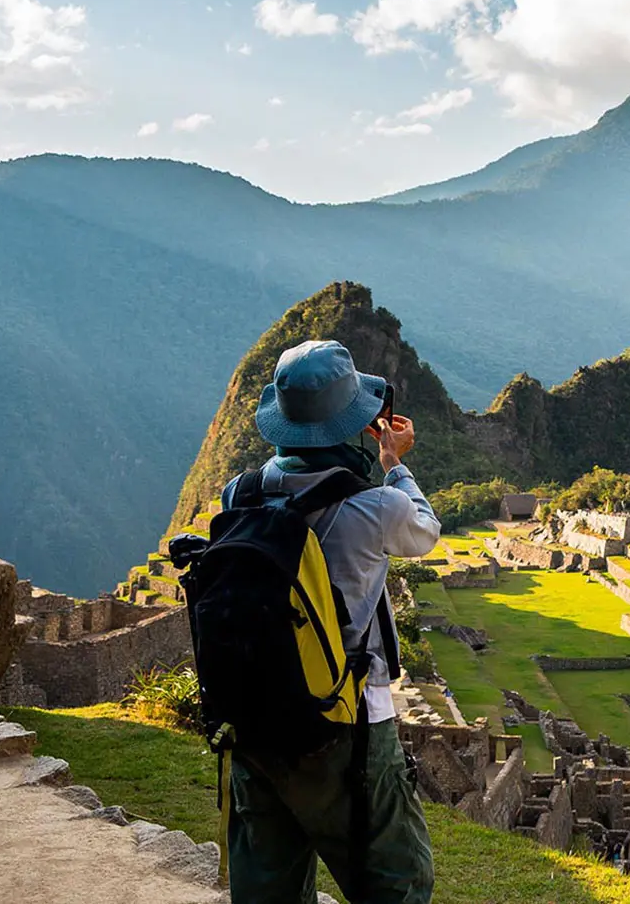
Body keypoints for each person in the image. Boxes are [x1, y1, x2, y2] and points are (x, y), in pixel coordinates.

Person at [220, 339, 441, 903]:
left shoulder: (238, 495)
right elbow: (425, 530)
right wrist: (394, 462)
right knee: (397, 879)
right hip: (346, 721)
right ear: (352, 421)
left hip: (253, 718)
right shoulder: (374, 509)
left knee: (267, 884)